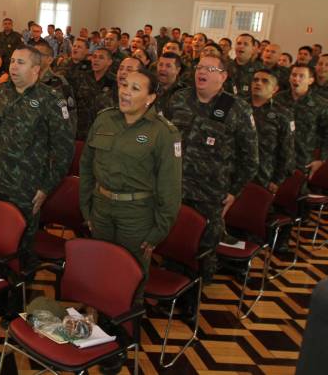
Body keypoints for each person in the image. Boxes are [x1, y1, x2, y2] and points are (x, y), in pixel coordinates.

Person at [80, 69, 182, 296]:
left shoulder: (163, 132)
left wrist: (159, 231)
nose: (125, 92)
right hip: (101, 208)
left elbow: (170, 187)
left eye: (135, 89)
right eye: (124, 85)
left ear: (150, 98)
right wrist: (86, 209)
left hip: (136, 215)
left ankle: (129, 316)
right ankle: (97, 313)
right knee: (100, 266)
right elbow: (86, 166)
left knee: (130, 275)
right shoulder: (104, 119)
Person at [166, 54, 259, 282]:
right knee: (171, 245)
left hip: (209, 195)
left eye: (210, 69)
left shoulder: (237, 108)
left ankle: (196, 295)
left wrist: (234, 191)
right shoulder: (179, 99)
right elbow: (161, 138)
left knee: (203, 251)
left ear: (223, 76)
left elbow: (250, 159)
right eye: (199, 67)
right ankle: (171, 288)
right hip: (174, 187)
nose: (201, 72)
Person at [0, 46, 75, 266]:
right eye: (12, 61)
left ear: (36, 69)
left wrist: (46, 187)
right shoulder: (1, 93)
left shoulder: (51, 99)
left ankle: (18, 285)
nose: (13, 66)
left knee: (19, 248)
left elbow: (63, 149)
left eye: (20, 62)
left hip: (26, 188)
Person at [274, 64, 328, 176]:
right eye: (293, 75)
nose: (296, 78)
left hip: (303, 161)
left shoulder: (321, 104)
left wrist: (322, 160)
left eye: (301, 76)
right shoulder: (277, 99)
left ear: (311, 80)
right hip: (276, 159)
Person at [250, 69, 295, 195]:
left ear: (275, 89)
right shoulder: (239, 106)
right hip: (233, 172)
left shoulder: (283, 114)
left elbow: (287, 150)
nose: (258, 83)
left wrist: (277, 180)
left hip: (263, 175)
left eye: (265, 81)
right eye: (255, 80)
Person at [225, 33, 262, 101]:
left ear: (253, 49)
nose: (241, 46)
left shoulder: (260, 70)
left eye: (246, 44)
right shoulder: (225, 66)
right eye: (239, 43)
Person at [155, 52, 186, 117]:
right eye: (160, 65)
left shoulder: (185, 92)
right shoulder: (149, 87)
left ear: (177, 70)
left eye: (168, 66)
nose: (163, 69)